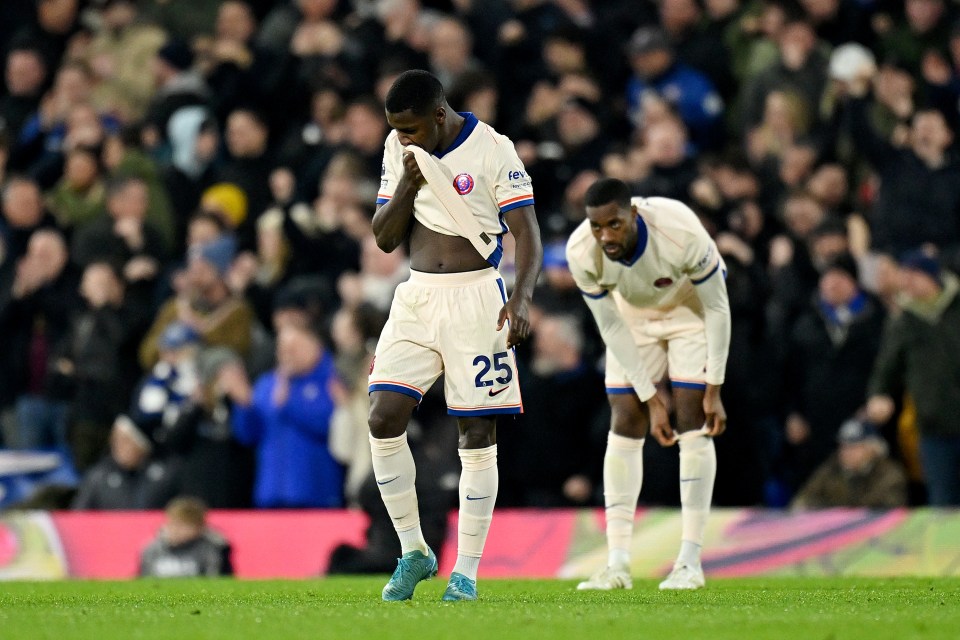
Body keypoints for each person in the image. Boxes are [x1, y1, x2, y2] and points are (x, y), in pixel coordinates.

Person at [367, 69, 542, 602]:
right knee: (382, 418)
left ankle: (465, 571)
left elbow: (528, 231)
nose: (404, 138)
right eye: (396, 129)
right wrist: (407, 184)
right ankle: (415, 551)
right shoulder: (398, 150)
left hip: (477, 300)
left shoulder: (493, 149)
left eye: (413, 129)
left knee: (476, 436)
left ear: (439, 115)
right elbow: (384, 238)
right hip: (417, 297)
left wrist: (523, 295)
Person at [566, 177, 730, 591]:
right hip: (632, 318)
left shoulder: (679, 232)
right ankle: (617, 564)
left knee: (692, 416)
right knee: (624, 417)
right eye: (596, 227)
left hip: (690, 308)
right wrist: (651, 397)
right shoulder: (581, 252)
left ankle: (689, 562)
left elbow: (717, 306)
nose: (605, 236)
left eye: (614, 224)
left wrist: (715, 386)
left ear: (633, 214)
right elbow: (611, 329)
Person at [866, 250, 960, 506]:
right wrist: (878, 394)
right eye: (903, 277)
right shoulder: (904, 321)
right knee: (943, 502)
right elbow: (887, 366)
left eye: (912, 276)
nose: (906, 283)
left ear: (931, 277)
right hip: (934, 427)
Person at [790, 417, 908, 510]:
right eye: (843, 447)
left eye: (854, 447)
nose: (846, 453)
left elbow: (890, 509)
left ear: (872, 449)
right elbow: (803, 499)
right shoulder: (831, 468)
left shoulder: (889, 474)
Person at [139, 496, 234, 578]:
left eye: (182, 526)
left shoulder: (210, 549)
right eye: (172, 524)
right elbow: (143, 578)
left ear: (199, 528)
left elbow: (216, 579)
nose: (175, 530)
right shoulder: (152, 549)